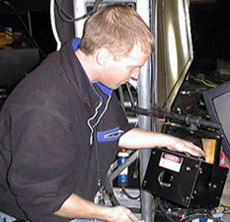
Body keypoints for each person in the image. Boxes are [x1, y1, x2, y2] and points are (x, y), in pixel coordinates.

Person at [0, 4, 205, 222]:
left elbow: (115, 133)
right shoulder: (45, 108)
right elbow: (43, 199)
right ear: (104, 57)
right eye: (131, 67)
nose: (135, 76)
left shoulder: (93, 80)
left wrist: (169, 142)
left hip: (69, 202)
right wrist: (107, 213)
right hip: (36, 214)